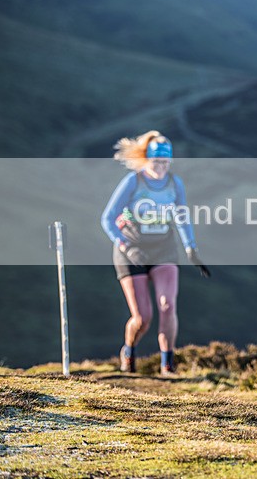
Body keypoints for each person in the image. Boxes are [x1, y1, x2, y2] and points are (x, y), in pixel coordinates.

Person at [101, 131, 210, 376]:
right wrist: (125, 246)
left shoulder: (175, 183)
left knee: (168, 305)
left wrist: (191, 248)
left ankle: (167, 365)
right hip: (132, 253)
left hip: (164, 250)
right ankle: (128, 351)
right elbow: (107, 218)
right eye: (156, 162)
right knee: (143, 317)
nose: (160, 167)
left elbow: (182, 218)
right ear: (146, 160)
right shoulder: (133, 181)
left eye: (165, 162)